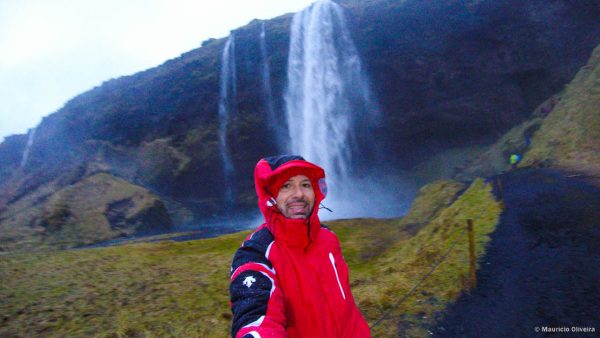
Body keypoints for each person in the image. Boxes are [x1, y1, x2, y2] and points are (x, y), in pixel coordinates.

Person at [229, 155, 371, 337]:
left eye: (305, 184)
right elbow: (255, 317)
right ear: (271, 195)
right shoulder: (255, 253)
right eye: (286, 186)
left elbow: (345, 308)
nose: (299, 194)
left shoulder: (329, 238)